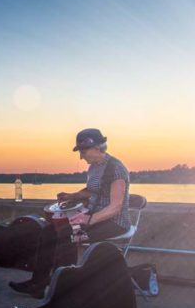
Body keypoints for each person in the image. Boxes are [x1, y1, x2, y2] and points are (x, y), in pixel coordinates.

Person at [9, 127, 130, 298]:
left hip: (114, 222)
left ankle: (66, 288)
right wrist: (73, 196)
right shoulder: (94, 167)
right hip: (93, 217)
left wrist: (89, 219)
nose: (81, 156)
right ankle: (38, 283)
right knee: (48, 231)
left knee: (67, 234)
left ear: (97, 147)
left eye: (83, 151)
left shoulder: (116, 168)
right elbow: (92, 190)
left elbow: (115, 207)